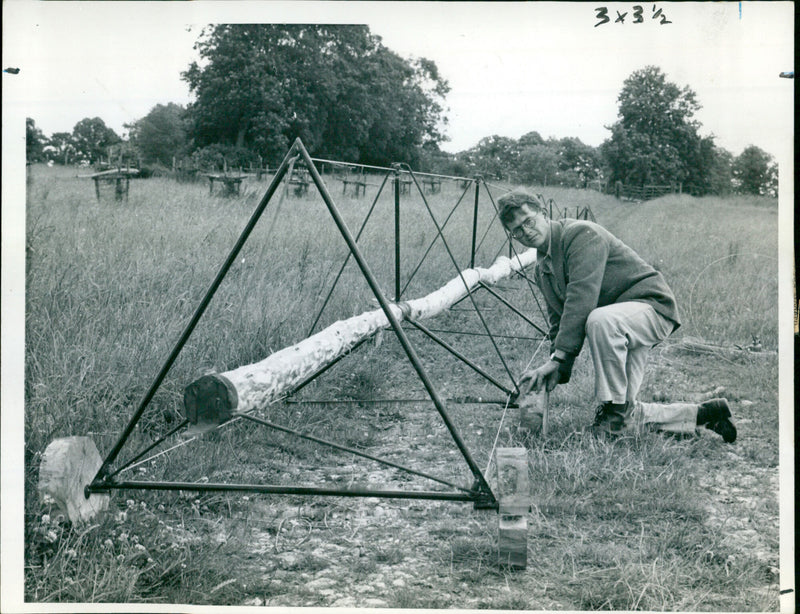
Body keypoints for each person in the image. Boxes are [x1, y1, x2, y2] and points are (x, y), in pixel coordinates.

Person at [499, 188, 736, 442]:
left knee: (600, 321)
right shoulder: (542, 269)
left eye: (529, 221)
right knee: (626, 408)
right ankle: (707, 414)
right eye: (517, 231)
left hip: (650, 308)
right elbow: (559, 320)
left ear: (543, 213)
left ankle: (613, 417)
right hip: (620, 323)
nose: (526, 232)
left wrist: (559, 358)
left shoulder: (579, 234)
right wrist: (557, 367)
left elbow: (581, 299)